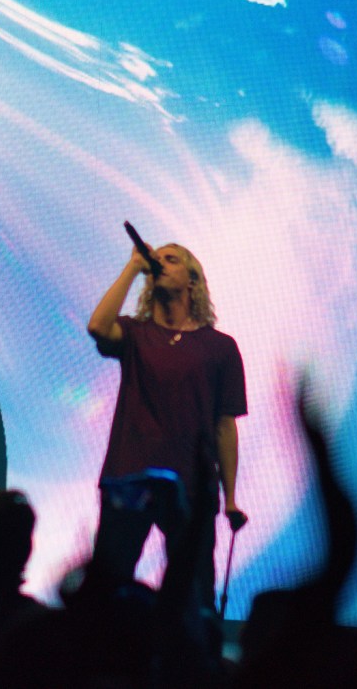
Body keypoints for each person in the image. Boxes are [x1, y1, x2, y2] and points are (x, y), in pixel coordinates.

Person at [87, 241, 247, 612]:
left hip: (190, 486)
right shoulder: (135, 333)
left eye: (170, 260)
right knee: (106, 590)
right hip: (129, 479)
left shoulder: (220, 347)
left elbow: (225, 426)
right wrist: (133, 267)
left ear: (192, 280)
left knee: (194, 594)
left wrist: (230, 497)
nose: (160, 263)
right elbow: (97, 326)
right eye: (156, 260)